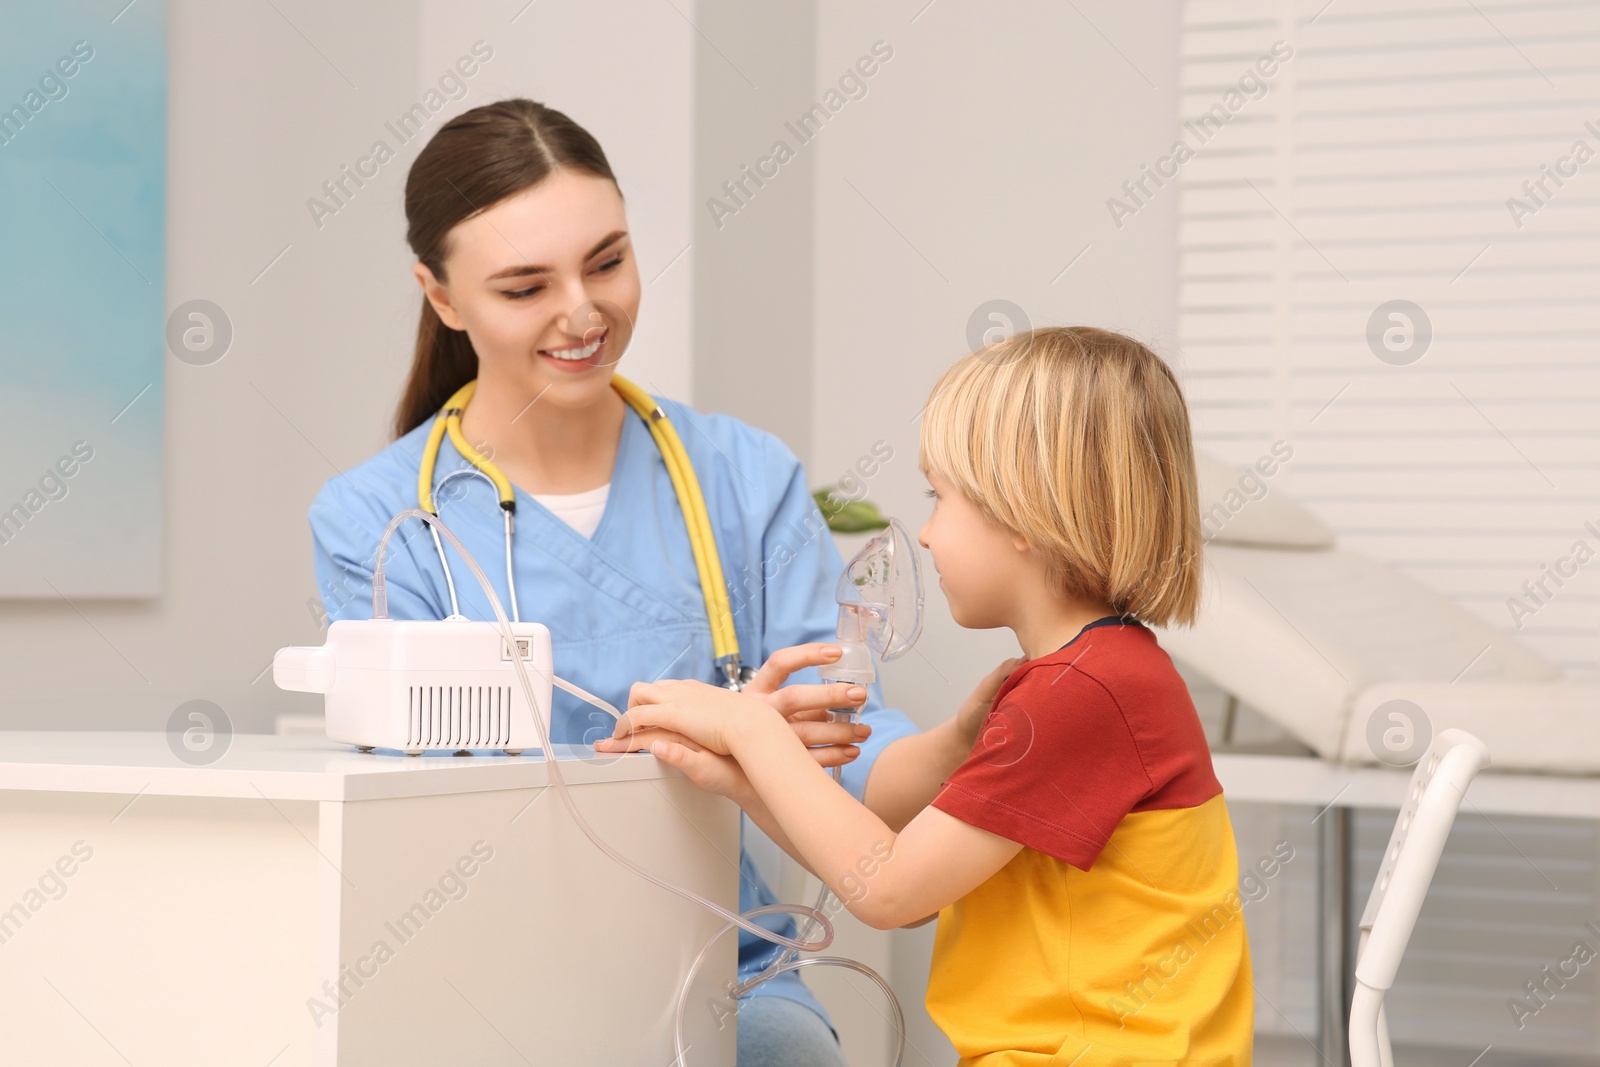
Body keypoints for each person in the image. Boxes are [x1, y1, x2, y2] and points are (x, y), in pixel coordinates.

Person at [307, 98, 1007, 1066]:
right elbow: (423, 816)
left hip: (724, 962)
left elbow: (847, 753)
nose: (584, 312)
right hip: (488, 963)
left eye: (606, 261)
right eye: (524, 287)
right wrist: (733, 737)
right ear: (441, 295)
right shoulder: (381, 522)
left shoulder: (742, 479)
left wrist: (960, 743)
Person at [603, 327, 1256, 1065]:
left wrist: (753, 729)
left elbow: (889, 894)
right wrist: (740, 783)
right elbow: (902, 876)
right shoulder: (1089, 675)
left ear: (1024, 509)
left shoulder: (1084, 692)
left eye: (938, 496)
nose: (924, 530)